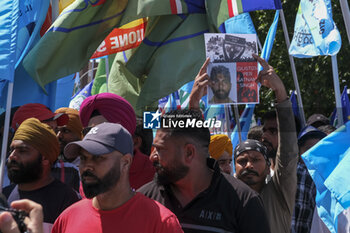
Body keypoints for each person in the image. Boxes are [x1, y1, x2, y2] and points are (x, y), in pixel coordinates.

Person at [138, 109, 271, 233]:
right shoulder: (144, 198)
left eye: (160, 149)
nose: (152, 157)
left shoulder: (244, 201)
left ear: (189, 153)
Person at [52, 123, 183, 233]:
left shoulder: (161, 222)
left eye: (98, 157)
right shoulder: (68, 218)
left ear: (125, 162)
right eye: (83, 158)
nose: (87, 166)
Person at [234, 54, 298, 233]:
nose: (249, 165)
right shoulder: (227, 197)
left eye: (255, 159)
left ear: (268, 163)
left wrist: (280, 93)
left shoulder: (279, 194)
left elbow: (288, 153)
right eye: (242, 161)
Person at [3, 118, 80, 232]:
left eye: (23, 151)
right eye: (12, 150)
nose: (12, 156)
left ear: (45, 158)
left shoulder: (67, 199)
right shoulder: (4, 195)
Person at [79, 93, 155, 190]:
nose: (96, 136)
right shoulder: (88, 173)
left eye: (105, 130)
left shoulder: (152, 173)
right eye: (89, 131)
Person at [291, 126, 327, 233]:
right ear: (299, 153)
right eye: (308, 149)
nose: (313, 154)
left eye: (318, 149)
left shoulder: (328, 178)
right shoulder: (299, 173)